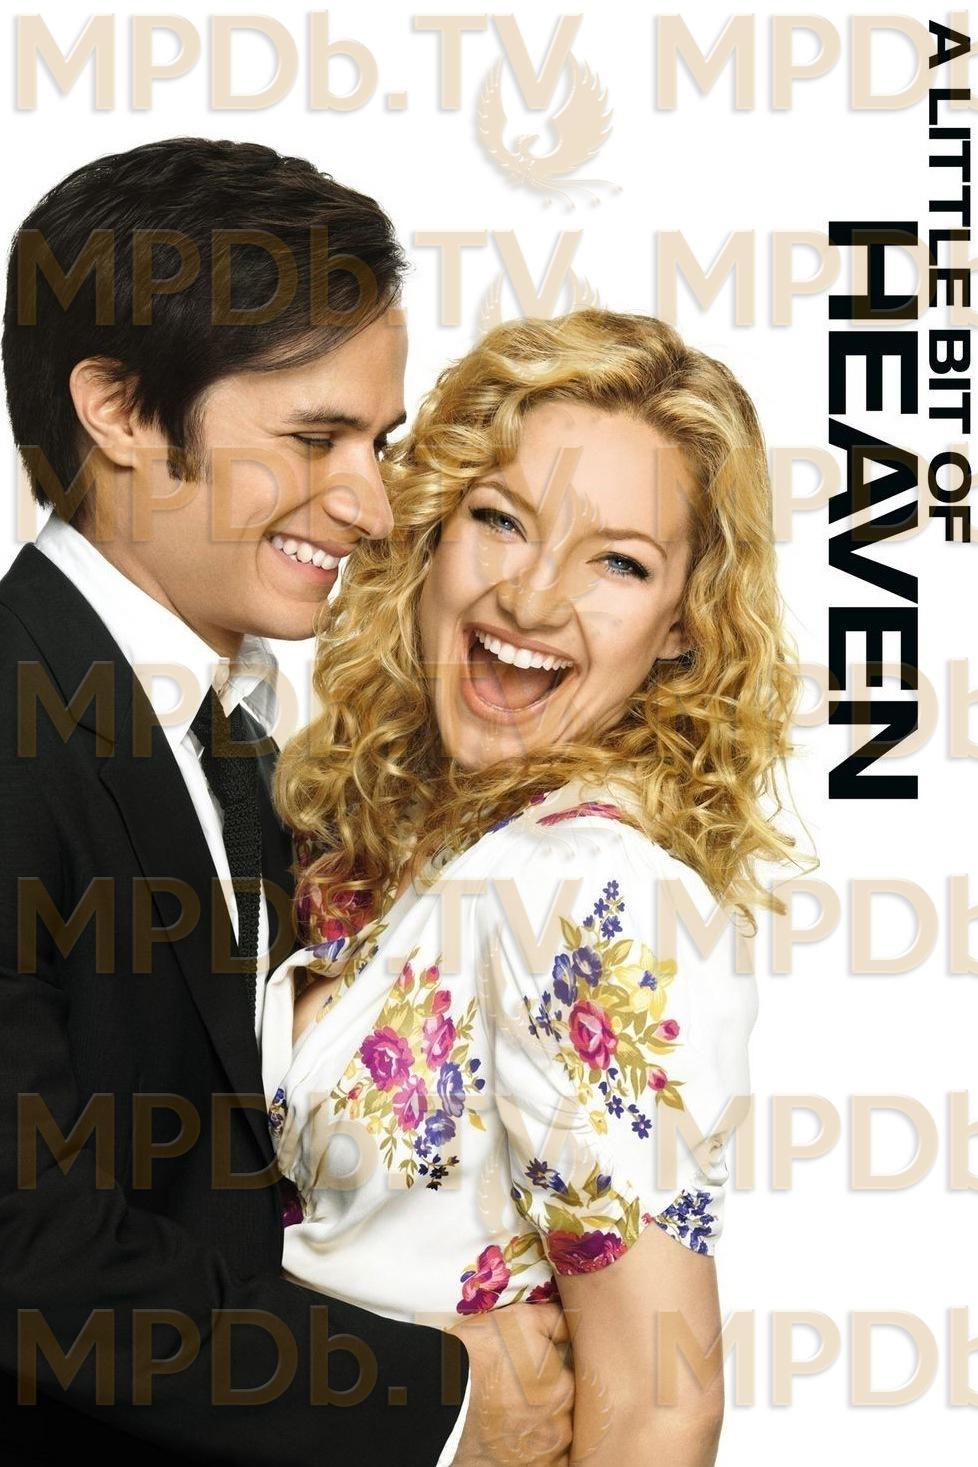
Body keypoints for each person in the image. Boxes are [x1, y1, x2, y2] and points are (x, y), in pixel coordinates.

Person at [0, 138, 570, 1465]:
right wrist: (435, 1401)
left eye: (380, 441)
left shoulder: (248, 741)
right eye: (314, 439)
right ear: (119, 410)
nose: (371, 504)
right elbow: (31, 1246)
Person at [267, 309, 800, 1463]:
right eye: (502, 520)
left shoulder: (589, 885)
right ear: (431, 530)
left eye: (619, 562)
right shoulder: (399, 847)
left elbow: (657, 1402)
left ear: (682, 626)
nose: (534, 599)